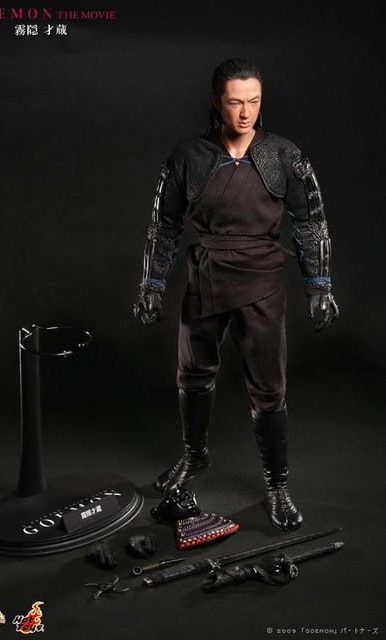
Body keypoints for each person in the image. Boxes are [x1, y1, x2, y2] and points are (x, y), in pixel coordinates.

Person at [133, 58, 339, 531]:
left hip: (261, 281)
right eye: (234, 102)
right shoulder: (188, 157)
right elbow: (164, 225)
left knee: (269, 390)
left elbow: (311, 222)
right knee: (192, 374)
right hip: (206, 276)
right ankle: (195, 456)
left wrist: (319, 285)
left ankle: (276, 485)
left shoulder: (285, 155)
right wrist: (152, 283)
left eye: (254, 101)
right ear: (216, 102)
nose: (245, 112)